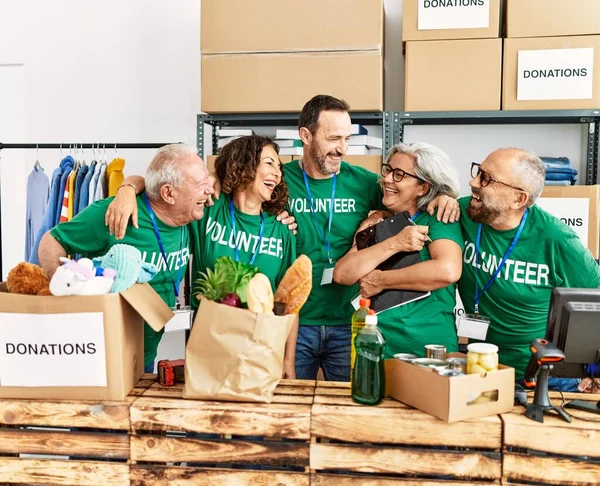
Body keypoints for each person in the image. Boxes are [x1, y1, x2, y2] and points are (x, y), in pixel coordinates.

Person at [106, 136, 299, 378]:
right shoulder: (208, 209)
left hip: (262, 349)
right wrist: (128, 188)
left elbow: (290, 302)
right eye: (270, 163)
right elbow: (166, 188)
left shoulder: (282, 229)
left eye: (279, 167)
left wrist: (288, 361)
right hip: (210, 345)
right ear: (244, 165)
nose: (278, 173)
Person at [38, 144, 214, 373]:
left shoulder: (190, 217)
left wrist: (129, 185)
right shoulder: (115, 214)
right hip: (101, 356)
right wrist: (63, 288)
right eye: (201, 185)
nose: (208, 191)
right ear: (168, 193)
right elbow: (51, 241)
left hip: (146, 354)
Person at [455, 147, 600, 383]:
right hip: (480, 369)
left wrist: (590, 369)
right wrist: (441, 197)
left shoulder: (557, 238)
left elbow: (596, 296)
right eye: (478, 172)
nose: (473, 181)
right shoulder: (464, 212)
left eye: (486, 178)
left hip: (543, 378)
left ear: (518, 199)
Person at [334, 142, 463, 358]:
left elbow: (446, 271)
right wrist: (394, 242)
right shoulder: (381, 223)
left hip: (426, 350)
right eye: (388, 170)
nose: (386, 179)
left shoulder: (438, 219)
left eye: (399, 175)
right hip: (376, 347)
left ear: (424, 187)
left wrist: (380, 280)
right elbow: (343, 273)